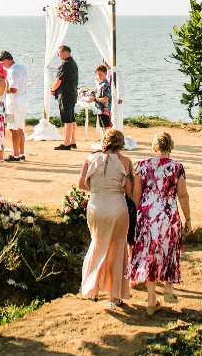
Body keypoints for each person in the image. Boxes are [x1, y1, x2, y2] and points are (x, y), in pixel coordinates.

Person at [129, 130, 191, 315]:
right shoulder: (177, 167)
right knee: (168, 249)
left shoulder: (141, 165)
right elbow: (183, 194)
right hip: (168, 214)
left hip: (148, 214)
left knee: (149, 254)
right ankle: (169, 288)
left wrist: (141, 212)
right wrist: (188, 218)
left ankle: (150, 300)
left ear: (154, 146)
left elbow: (136, 195)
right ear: (170, 146)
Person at [77, 126, 134, 307]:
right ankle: (114, 296)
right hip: (117, 208)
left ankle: (91, 289)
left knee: (97, 245)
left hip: (96, 207)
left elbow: (81, 185)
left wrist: (98, 190)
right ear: (121, 145)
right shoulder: (125, 161)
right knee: (117, 250)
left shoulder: (90, 158)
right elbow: (130, 191)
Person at [0, 50, 27, 162]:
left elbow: (13, 89)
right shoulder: (22, 67)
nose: (2, 65)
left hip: (13, 103)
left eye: (2, 63)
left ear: (6, 60)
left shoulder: (12, 71)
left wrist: (2, 89)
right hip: (23, 101)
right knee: (20, 128)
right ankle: (21, 154)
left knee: (12, 129)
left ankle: (16, 155)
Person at [52, 44, 80, 149]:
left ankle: (67, 143)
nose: (57, 54)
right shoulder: (73, 63)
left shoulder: (65, 65)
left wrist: (52, 89)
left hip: (66, 94)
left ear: (64, 52)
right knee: (71, 118)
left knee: (67, 119)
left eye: (58, 52)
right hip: (72, 94)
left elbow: (59, 80)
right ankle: (72, 141)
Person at [92, 63, 114, 129]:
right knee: (105, 128)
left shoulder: (105, 85)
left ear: (105, 74)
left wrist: (95, 99)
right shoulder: (100, 84)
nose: (99, 76)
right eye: (98, 74)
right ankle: (106, 139)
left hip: (105, 111)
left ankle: (107, 139)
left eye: (100, 74)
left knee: (107, 128)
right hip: (101, 110)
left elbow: (106, 99)